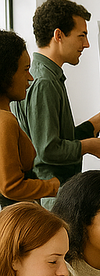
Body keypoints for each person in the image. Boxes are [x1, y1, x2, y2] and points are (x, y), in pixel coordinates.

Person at [11, 0, 100, 207]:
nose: (86, 44)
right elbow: (47, 149)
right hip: (52, 200)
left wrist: (98, 121)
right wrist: (88, 146)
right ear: (58, 35)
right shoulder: (45, 82)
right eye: (81, 35)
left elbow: (57, 138)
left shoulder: (47, 76)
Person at [0, 31, 60, 207]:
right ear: (6, 74)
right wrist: (52, 186)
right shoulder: (5, 121)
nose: (30, 77)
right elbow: (10, 187)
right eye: (25, 70)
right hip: (16, 216)